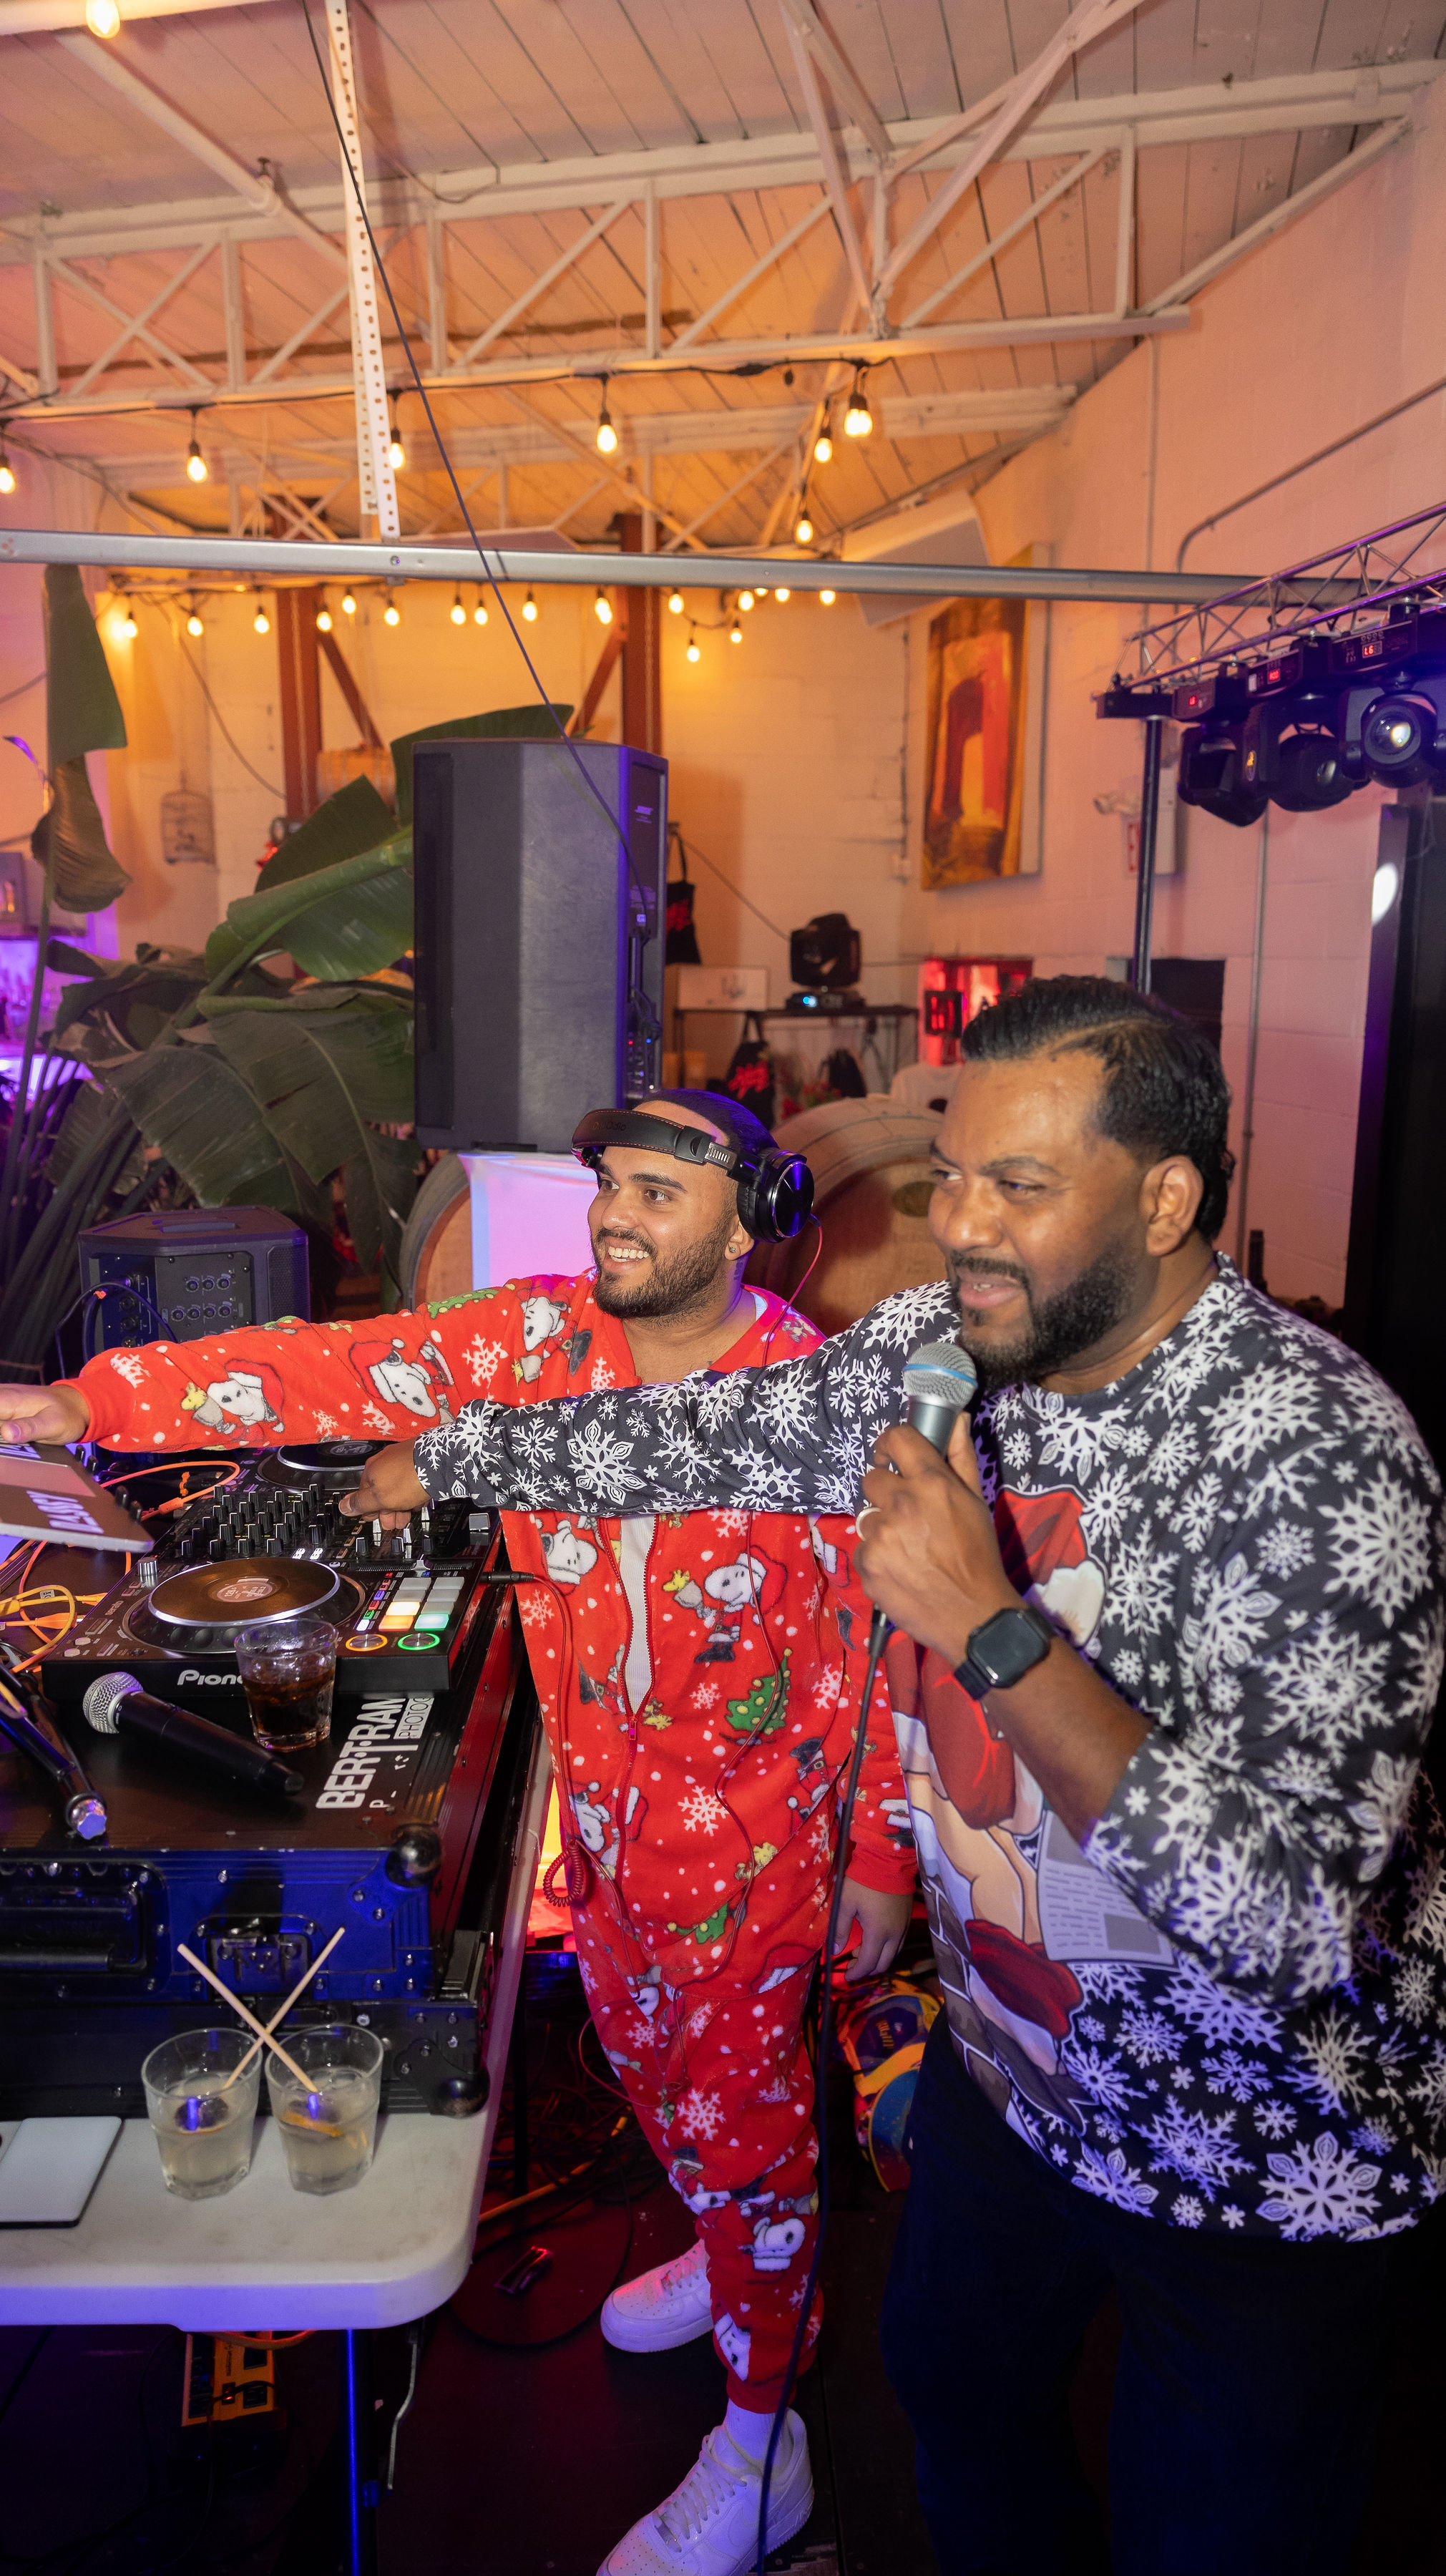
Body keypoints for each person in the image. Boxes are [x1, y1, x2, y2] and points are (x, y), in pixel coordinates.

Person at [343, 979, 1446, 2576]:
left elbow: (1286, 1920)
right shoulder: (953, 1347)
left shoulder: (1320, 1454)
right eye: (953, 1178)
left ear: (1163, 1202)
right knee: (955, 2405)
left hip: (1252, 2153)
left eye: (1020, 1186)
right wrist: (448, 1458)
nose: (961, 1228)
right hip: (1017, 2075)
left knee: (1212, 2535)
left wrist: (992, 1631)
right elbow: (710, 1432)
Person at [4, 1092, 916, 2576]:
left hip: (761, 1851)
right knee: (640, 2064)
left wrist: (877, 1853)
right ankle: (724, 2246)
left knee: (751, 2129)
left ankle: (765, 2439)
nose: (615, 1214)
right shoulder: (540, 1337)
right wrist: (87, 1407)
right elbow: (329, 1364)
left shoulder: (813, 1397)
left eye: (661, 1192)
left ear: (752, 1222)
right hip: (603, 1828)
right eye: (610, 1183)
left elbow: (889, 1633)